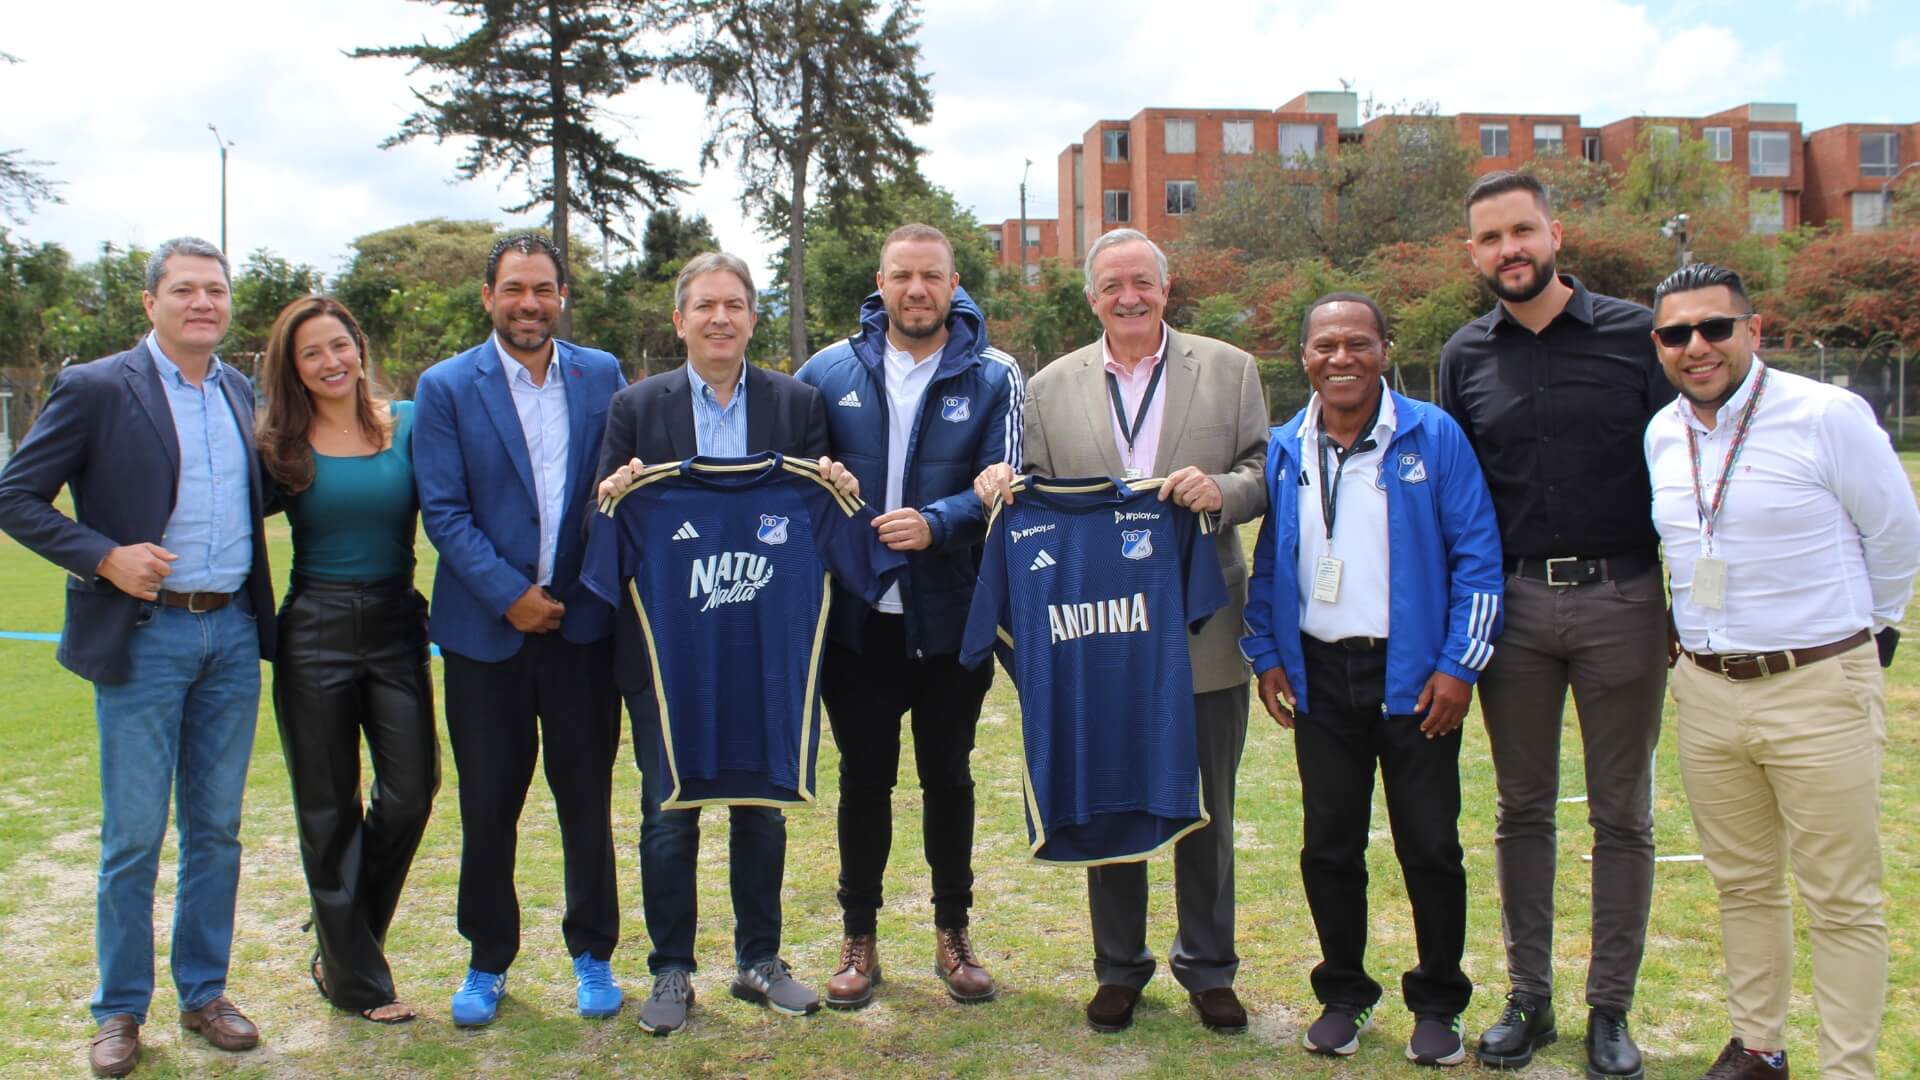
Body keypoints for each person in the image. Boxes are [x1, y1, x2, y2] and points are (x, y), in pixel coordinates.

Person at [973, 227, 1268, 1035]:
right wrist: (1002, 481)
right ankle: (1119, 967)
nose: (1128, 296)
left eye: (1141, 282)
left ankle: (1209, 967)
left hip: (1202, 625)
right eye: (1112, 286)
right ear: (1092, 298)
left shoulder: (1231, 369)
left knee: (1206, 805)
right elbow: (1030, 488)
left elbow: (1261, 472)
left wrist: (1224, 491)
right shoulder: (1050, 386)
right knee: (1110, 793)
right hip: (1100, 632)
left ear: (1165, 290)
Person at [0, 237, 275, 1077]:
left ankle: (205, 993)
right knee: (132, 835)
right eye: (186, 290)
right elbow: (14, 495)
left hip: (229, 633)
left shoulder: (238, 389)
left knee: (218, 830)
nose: (204, 303)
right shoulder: (94, 387)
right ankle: (119, 1010)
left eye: (217, 291)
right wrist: (104, 555)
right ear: (150, 303)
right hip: (143, 634)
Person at [1643, 264, 1919, 1080]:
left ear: (1753, 332)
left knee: (1842, 899)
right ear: (1658, 347)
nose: (1696, 347)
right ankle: (1760, 1046)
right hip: (1707, 688)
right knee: (1743, 885)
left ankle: (1849, 1068)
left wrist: (1874, 636)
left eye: (1714, 328)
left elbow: (1896, 536)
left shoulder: (1827, 415)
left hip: (1816, 683)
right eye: (1675, 334)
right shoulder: (1663, 433)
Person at [1439, 171, 1670, 1078]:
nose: (1510, 251)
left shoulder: (1634, 336)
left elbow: (1678, 478)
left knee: (1624, 815)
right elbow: (1458, 504)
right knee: (1521, 810)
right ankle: (1528, 999)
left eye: (1522, 231)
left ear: (1556, 234)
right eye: (1491, 238)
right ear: (1473, 253)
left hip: (1625, 600)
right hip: (1516, 609)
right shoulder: (1465, 355)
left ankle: (1610, 1009)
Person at [593, 251, 856, 1035]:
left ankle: (758, 961)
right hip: (670, 649)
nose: (719, 318)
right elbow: (606, 522)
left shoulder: (797, 403)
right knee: (668, 810)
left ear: (752, 317)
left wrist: (839, 488)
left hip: (762, 642)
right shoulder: (635, 408)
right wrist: (614, 493)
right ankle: (671, 971)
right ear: (680, 320)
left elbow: (822, 515)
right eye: (704, 305)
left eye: (734, 305)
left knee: (760, 803)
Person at [1242, 294, 1503, 1067]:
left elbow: (1479, 558)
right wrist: (1268, 654)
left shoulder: (1433, 434)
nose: (1341, 358)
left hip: (1415, 675)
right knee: (1329, 845)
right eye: (1325, 345)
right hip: (1321, 676)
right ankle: (1343, 994)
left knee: (1429, 846)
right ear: (1305, 358)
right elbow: (1272, 562)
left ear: (1385, 349)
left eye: (1358, 342)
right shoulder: (1288, 445)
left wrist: (1460, 667)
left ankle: (1439, 1001)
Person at [795, 223, 1024, 1010]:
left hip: (950, 614)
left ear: (955, 282)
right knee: (864, 781)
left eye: (932, 276)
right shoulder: (827, 369)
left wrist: (940, 519)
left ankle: (953, 933)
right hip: (858, 619)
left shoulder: (997, 375)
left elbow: (1008, 481)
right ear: (880, 280)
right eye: (902, 275)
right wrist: (819, 475)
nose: (917, 290)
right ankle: (859, 936)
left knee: (947, 778)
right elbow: (795, 475)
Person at [412, 233, 627, 1027]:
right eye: (513, 289)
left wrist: (572, 591)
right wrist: (511, 595)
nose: (528, 303)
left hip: (581, 632)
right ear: (488, 297)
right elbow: (444, 509)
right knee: (489, 805)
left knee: (585, 800)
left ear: (562, 296)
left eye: (542, 289)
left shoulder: (601, 374)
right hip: (486, 637)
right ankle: (486, 958)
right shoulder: (445, 387)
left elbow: (618, 490)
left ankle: (593, 952)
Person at [255, 296, 439, 1025]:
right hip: (315, 629)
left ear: (359, 348)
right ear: (293, 369)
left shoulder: (412, 423)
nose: (330, 362)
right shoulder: (278, 444)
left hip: (396, 622)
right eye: (311, 353)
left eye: (340, 345)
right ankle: (358, 981)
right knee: (327, 811)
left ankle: (339, 940)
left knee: (412, 792)